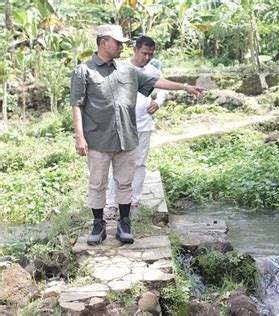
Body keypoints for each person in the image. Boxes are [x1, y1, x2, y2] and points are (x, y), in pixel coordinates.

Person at [70, 25, 204, 245]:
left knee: (125, 183)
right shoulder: (84, 71)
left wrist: (185, 87)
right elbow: (76, 104)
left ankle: (124, 223)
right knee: (97, 184)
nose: (122, 47)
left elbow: (155, 82)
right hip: (97, 139)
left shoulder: (128, 70)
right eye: (118, 43)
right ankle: (98, 225)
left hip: (126, 137)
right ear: (104, 42)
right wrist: (79, 136)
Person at [106, 36, 166, 212]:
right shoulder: (120, 67)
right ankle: (112, 203)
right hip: (121, 125)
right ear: (135, 50)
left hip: (144, 123)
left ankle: (134, 201)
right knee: (117, 163)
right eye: (144, 53)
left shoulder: (153, 71)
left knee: (139, 163)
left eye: (150, 54)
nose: (147, 57)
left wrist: (158, 102)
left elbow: (163, 89)